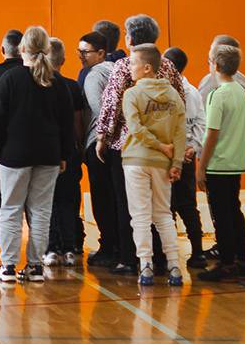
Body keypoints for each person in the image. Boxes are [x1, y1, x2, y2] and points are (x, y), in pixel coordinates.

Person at [0, 27, 76, 283]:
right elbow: (67, 124)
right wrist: (65, 153)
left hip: (15, 155)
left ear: (22, 49)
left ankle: (9, 266)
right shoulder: (58, 83)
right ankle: (35, 266)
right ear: (47, 50)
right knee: (41, 211)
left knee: (11, 209)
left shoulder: (11, 79)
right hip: (49, 156)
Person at [94, 15, 185, 276]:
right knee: (163, 209)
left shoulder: (123, 66)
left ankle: (131, 258)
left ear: (130, 38)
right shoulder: (168, 66)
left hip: (130, 148)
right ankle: (164, 260)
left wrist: (102, 137)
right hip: (165, 146)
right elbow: (180, 103)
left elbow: (111, 105)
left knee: (131, 206)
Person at [119, 44, 186, 288]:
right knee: (163, 215)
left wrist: (158, 146)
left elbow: (135, 128)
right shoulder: (173, 95)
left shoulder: (132, 94)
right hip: (162, 163)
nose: (129, 68)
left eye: (133, 63)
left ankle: (145, 264)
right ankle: (175, 266)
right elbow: (180, 131)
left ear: (147, 68)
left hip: (137, 160)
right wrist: (175, 159)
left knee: (140, 216)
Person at [196, 44, 245, 283]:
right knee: (234, 210)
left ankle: (227, 262)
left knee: (222, 215)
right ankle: (242, 260)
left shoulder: (217, 95)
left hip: (218, 163)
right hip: (235, 162)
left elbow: (211, 134)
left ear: (216, 66)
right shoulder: (240, 91)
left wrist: (201, 167)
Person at [74, 31, 123, 268]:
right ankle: (119, 246)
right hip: (119, 145)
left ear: (101, 53)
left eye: (85, 52)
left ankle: (107, 247)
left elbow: (100, 111)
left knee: (102, 200)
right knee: (116, 199)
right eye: (79, 51)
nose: (80, 56)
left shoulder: (94, 76)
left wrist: (101, 140)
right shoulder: (118, 71)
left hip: (99, 144)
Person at [44, 38, 88, 266]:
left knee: (48, 201)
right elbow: (78, 122)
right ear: (63, 60)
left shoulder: (39, 84)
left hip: (46, 151)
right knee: (69, 199)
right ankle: (70, 247)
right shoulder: (72, 86)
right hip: (68, 149)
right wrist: (78, 145)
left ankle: (52, 247)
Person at [163, 47, 208, 265]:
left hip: (175, 156)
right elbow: (200, 123)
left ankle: (181, 252)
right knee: (182, 205)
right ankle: (189, 252)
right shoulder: (191, 91)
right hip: (184, 154)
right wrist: (194, 146)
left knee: (175, 206)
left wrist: (188, 148)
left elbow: (195, 122)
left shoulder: (179, 92)